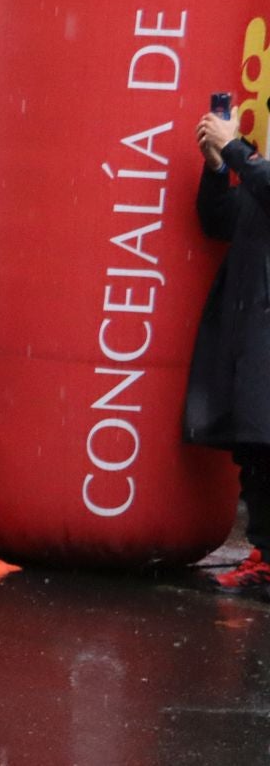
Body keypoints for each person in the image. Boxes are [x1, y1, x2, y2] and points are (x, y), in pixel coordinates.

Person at [188, 108, 270, 595]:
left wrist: (237, 148)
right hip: (250, 334)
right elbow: (217, 218)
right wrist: (217, 165)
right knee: (256, 450)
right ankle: (263, 553)